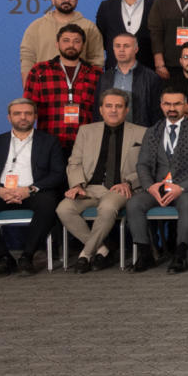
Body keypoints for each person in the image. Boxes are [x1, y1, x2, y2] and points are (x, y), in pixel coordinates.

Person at [0, 99, 69, 275]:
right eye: (17, 113)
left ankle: (27, 256)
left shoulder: (49, 141)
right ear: (9, 118)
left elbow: (58, 174)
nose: (23, 117)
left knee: (49, 205)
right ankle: (3, 257)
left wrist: (29, 189)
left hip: (34, 191)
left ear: (35, 117)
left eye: (28, 113)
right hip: (2, 192)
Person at [125, 89, 188, 273]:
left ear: (185, 106)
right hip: (157, 187)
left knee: (187, 204)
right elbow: (142, 164)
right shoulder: (152, 132)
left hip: (187, 189)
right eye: (167, 104)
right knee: (134, 203)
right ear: (161, 106)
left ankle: (180, 256)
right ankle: (145, 255)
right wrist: (150, 186)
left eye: (177, 104)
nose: (172, 108)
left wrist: (181, 187)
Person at [57, 90, 145, 272]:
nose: (113, 110)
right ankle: (102, 250)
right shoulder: (86, 131)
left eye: (118, 106)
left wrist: (128, 182)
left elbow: (147, 166)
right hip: (89, 188)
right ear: (101, 109)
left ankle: (85, 255)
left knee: (107, 208)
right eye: (109, 106)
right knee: (63, 209)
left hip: (120, 188)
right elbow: (74, 162)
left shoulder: (142, 132)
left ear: (126, 110)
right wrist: (77, 185)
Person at [23, 23, 102, 152]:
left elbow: (102, 112)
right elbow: (28, 109)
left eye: (76, 41)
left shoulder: (96, 74)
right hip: (48, 143)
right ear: (57, 44)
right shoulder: (40, 71)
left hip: (86, 144)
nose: (71, 45)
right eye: (66, 40)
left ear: (83, 45)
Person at [18, 0, 103, 76]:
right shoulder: (36, 26)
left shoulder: (89, 27)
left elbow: (96, 59)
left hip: (80, 82)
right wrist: (27, 84)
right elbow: (27, 58)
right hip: (45, 81)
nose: (67, 0)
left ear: (77, 0)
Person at [94, 0, 152, 68]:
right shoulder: (106, 6)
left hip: (147, 68)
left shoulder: (154, 6)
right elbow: (101, 39)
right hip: (114, 68)